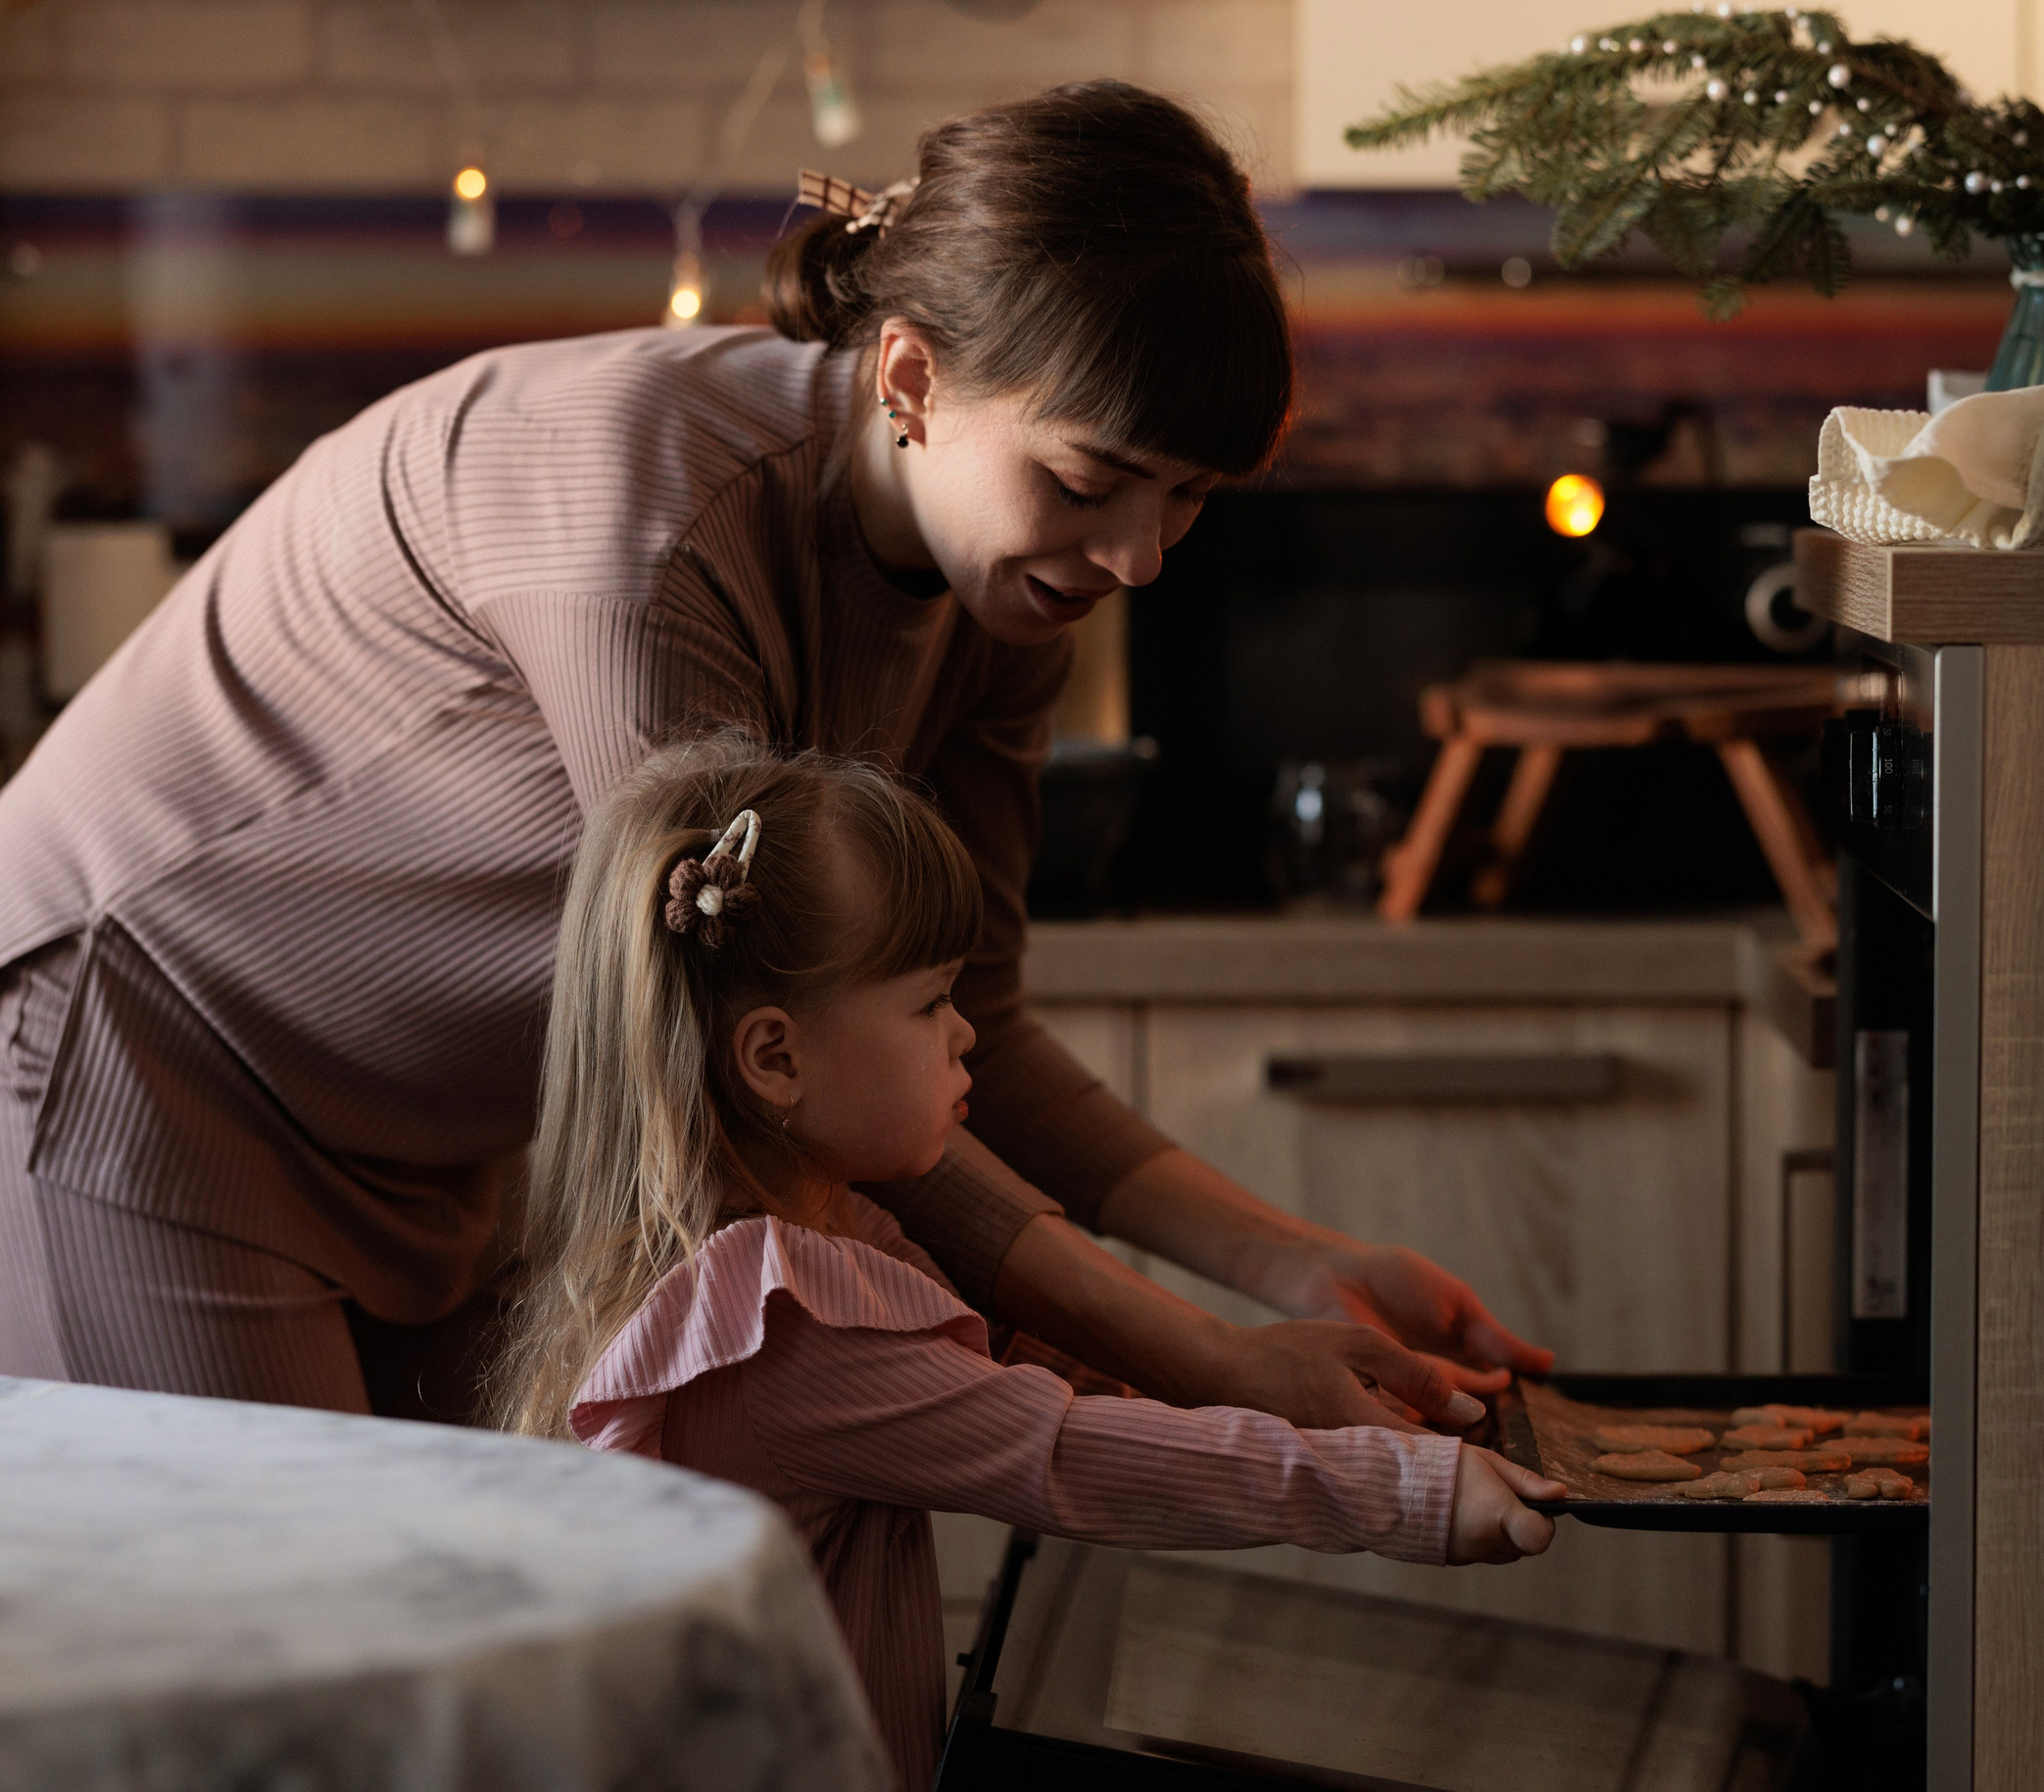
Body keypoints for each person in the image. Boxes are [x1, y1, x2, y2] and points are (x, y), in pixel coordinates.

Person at [0, 81, 1551, 1428]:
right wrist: (1205, 1356)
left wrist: (1296, 1266)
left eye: (1189, 498)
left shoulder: (1007, 597)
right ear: (912, 377)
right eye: (1093, 481)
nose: (1139, 556)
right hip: (138, 1057)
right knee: (281, 1658)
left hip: (417, 1151)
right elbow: (770, 1052)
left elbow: (958, 1030)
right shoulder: (653, 522)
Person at [510, 733, 1568, 1787]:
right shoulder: (780, 1327)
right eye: (930, 1001)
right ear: (775, 1057)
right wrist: (1403, 1490)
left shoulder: (824, 1236)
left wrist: (1296, 1397)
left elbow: (1036, 1380)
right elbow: (1061, 1449)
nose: (966, 1034)